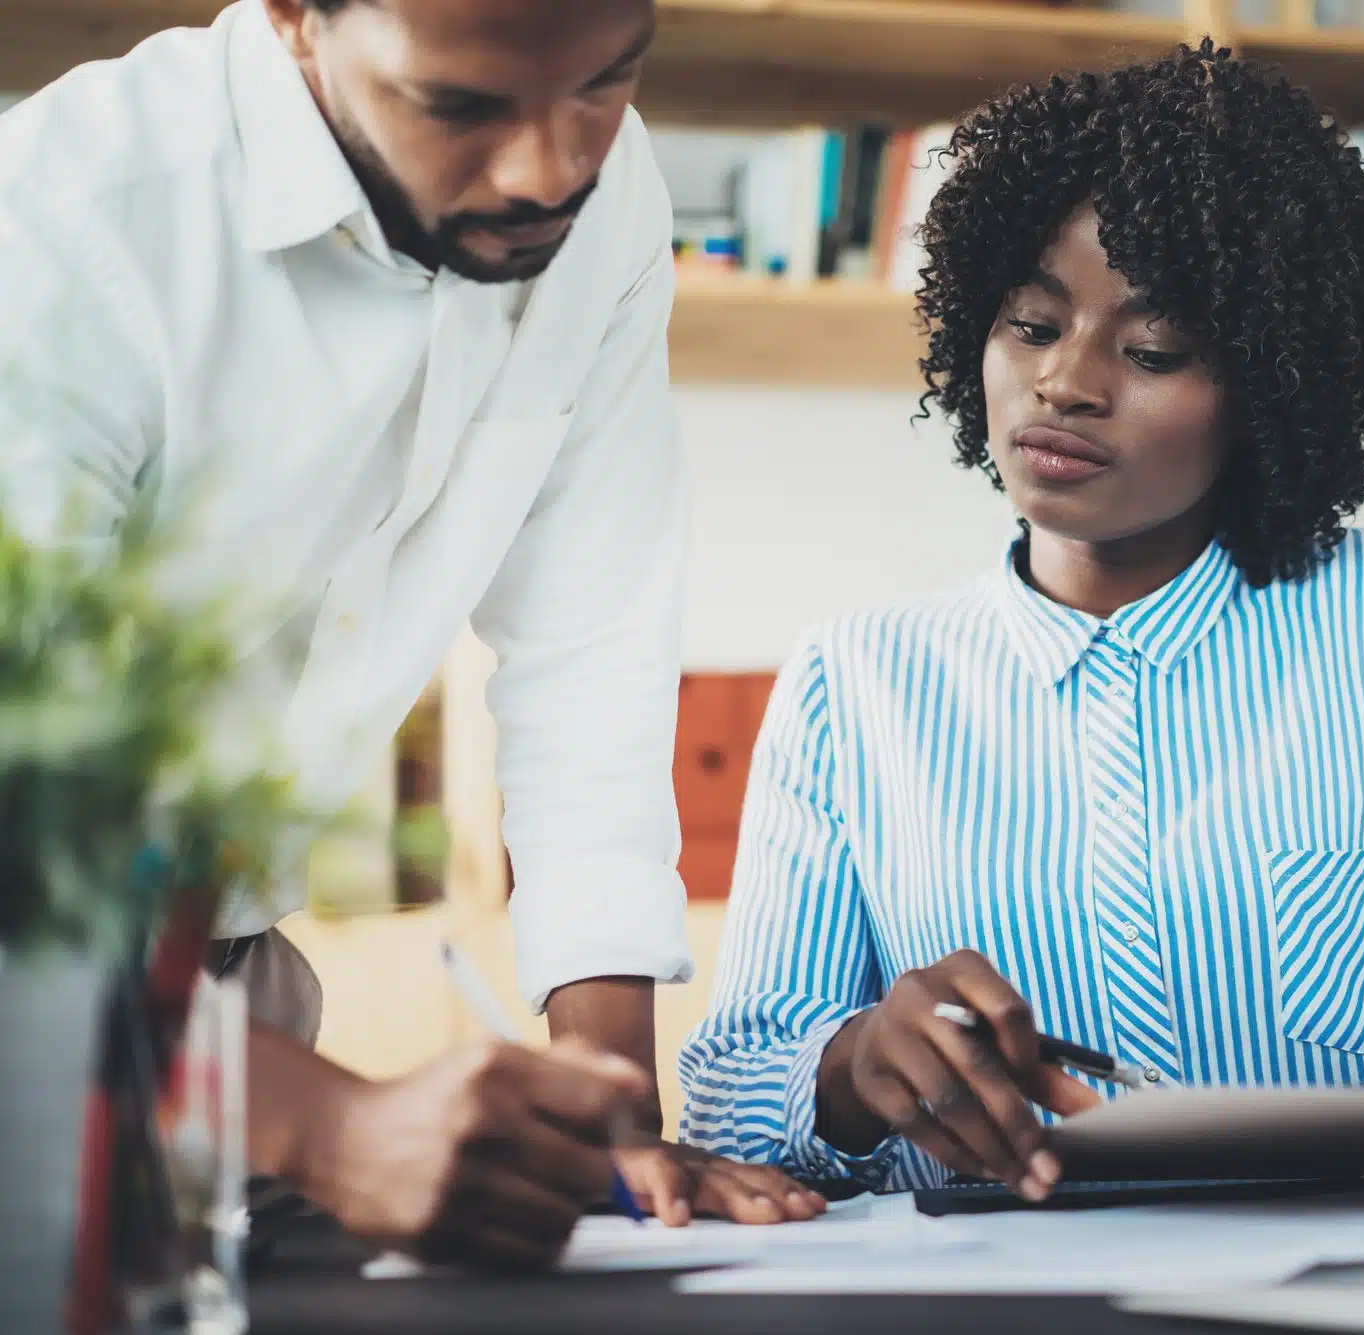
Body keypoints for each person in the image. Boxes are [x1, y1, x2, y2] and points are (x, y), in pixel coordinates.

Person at [680, 43, 1364, 1203]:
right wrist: (853, 1069)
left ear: (1267, 390)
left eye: (1152, 350)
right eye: (1028, 323)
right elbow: (725, 1105)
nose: (1067, 382)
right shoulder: (852, 682)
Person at [0, 0, 822, 1270]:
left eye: (605, 83)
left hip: (234, 1013)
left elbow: (588, 646)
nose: (553, 168)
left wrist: (603, 1113)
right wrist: (328, 1128)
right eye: (463, 106)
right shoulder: (65, 220)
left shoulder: (606, 199)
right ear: (294, 20)